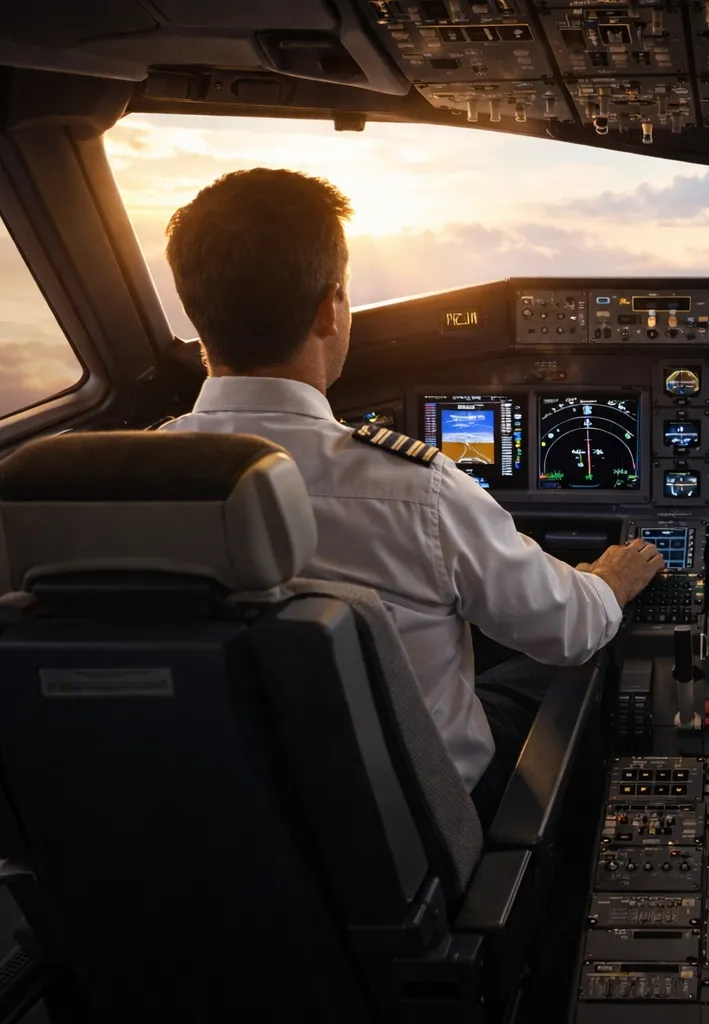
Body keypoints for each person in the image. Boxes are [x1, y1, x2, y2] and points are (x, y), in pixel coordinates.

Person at [157, 168, 662, 824]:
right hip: (415, 827)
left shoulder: (126, 484)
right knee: (576, 664)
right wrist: (609, 580)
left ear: (197, 310)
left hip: (216, 818)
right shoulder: (416, 490)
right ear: (330, 307)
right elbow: (569, 630)